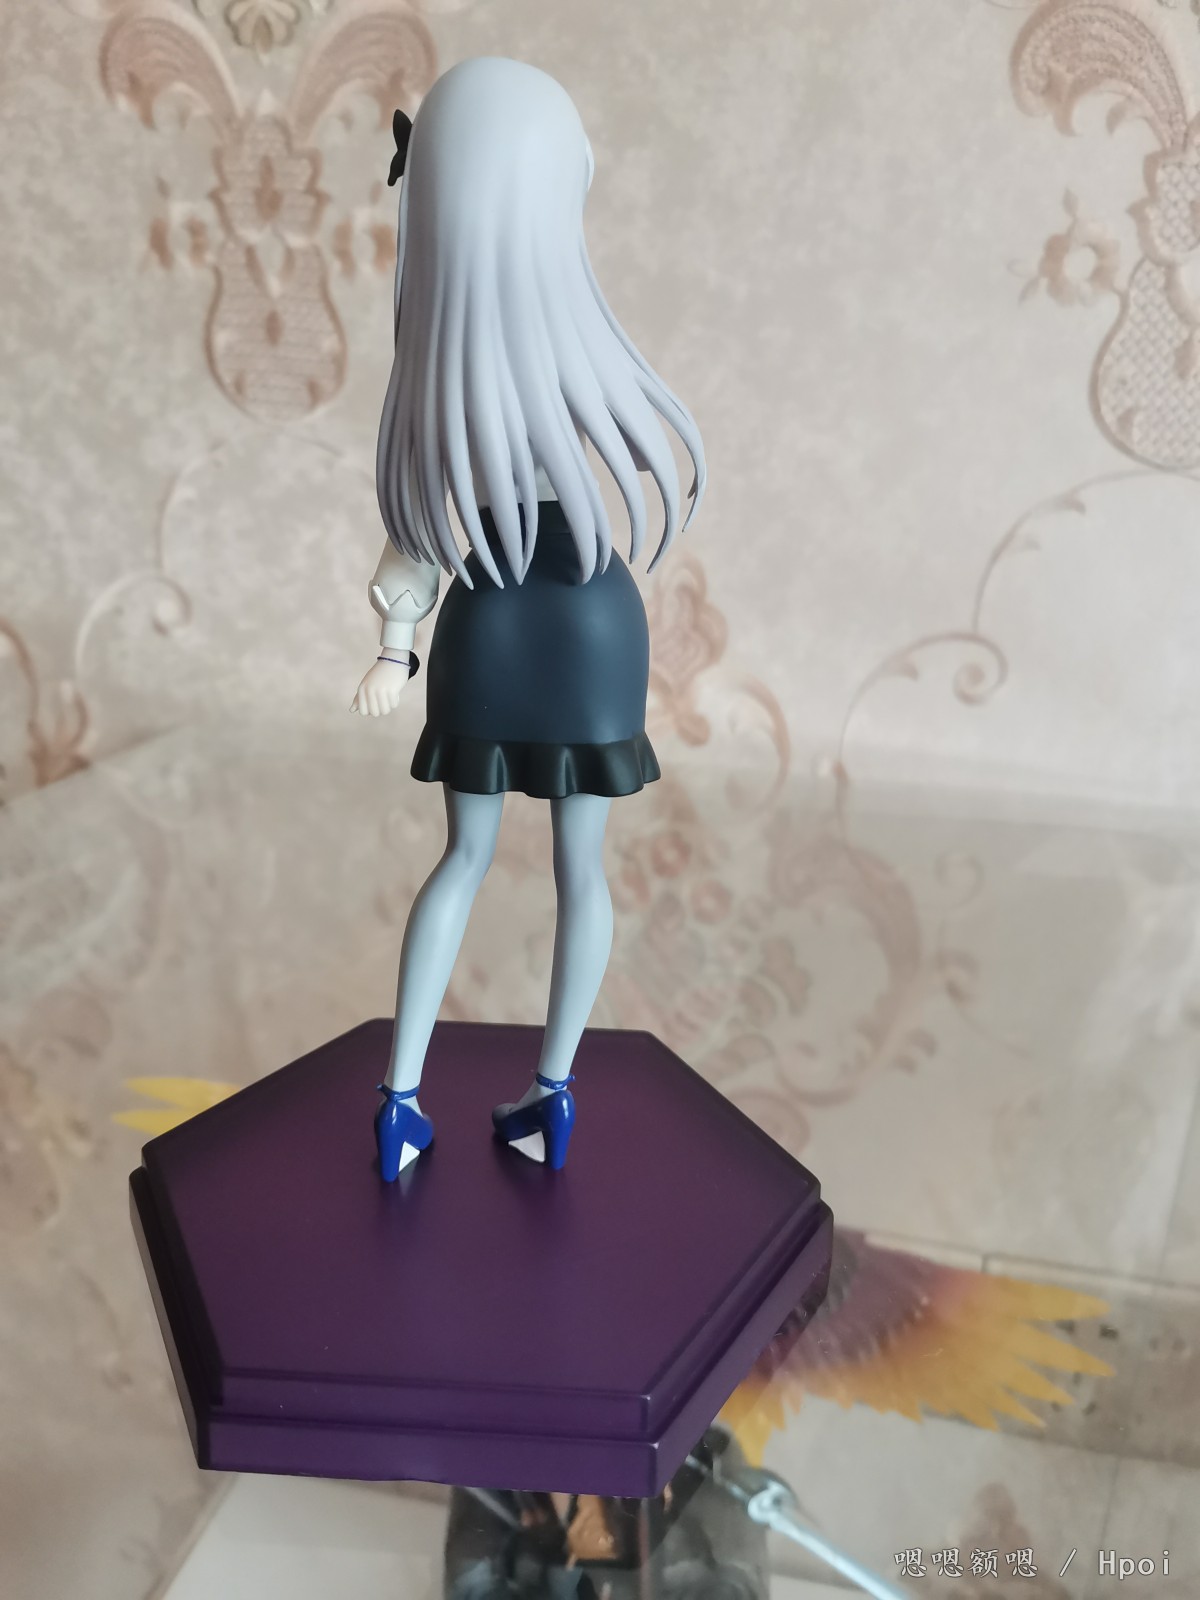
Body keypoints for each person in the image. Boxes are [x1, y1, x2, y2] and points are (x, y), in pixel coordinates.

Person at [350, 57, 705, 1179]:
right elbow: (425, 519)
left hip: (495, 620)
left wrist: (397, 646)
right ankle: (543, 1098)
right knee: (572, 868)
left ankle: (406, 1102)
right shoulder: (572, 359)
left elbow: (418, 527)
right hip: (590, 622)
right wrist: (393, 644)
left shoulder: (447, 374)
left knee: (467, 857)